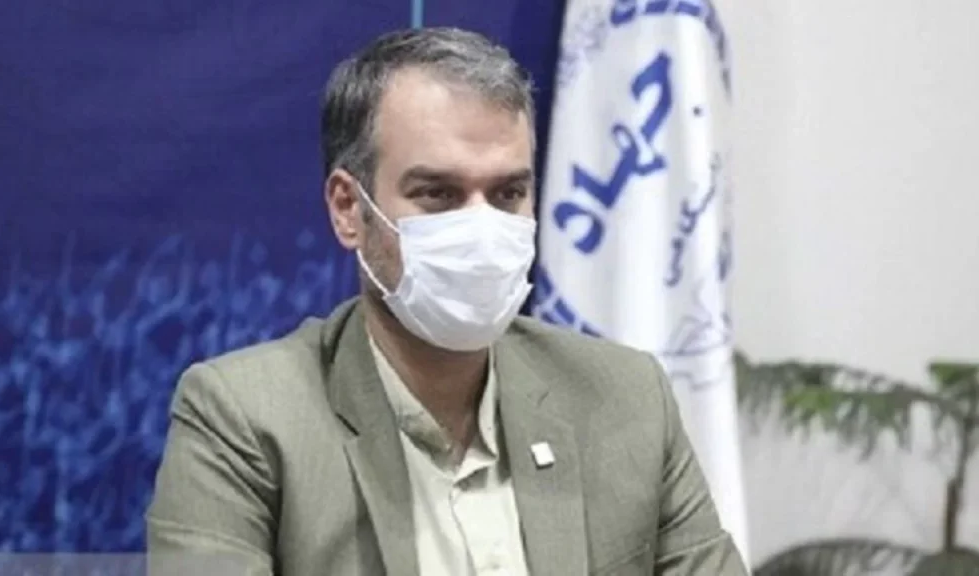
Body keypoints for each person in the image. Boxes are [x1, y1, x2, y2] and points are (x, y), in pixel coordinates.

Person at [146, 26, 747, 576]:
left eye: (508, 193)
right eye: (438, 194)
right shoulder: (244, 420)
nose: (482, 229)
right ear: (348, 209)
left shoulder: (625, 399)